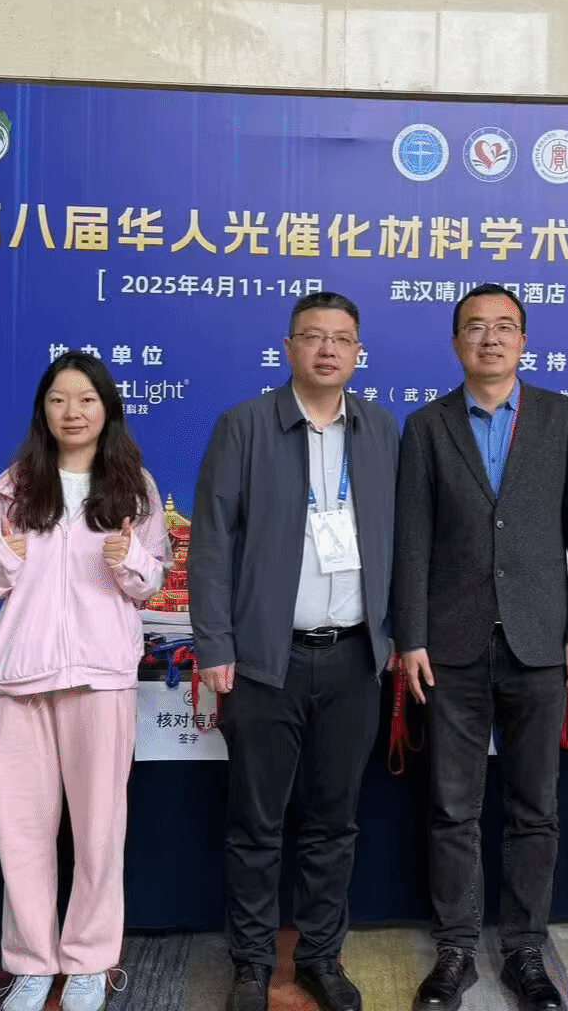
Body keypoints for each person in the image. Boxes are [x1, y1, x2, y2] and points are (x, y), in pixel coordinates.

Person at [394, 283, 568, 1011]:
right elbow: (411, 541)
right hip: (449, 643)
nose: (491, 339)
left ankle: (524, 950)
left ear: (524, 341)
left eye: (505, 327)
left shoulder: (563, 419)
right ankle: (455, 949)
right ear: (457, 342)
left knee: (534, 806)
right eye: (476, 328)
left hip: (540, 639)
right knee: (452, 806)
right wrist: (411, 635)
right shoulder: (426, 426)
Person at [189, 293, 400, 1011]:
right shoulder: (245, 425)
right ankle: (251, 962)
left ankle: (320, 957)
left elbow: (404, 543)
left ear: (358, 352)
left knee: (334, 822)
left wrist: (397, 639)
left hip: (354, 660)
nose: (328, 349)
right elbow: (211, 543)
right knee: (256, 823)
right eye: (313, 336)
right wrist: (215, 642)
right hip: (263, 661)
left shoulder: (380, 430)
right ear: (288, 348)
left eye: (342, 338)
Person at [0, 352, 168, 1011]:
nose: (73, 412)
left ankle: (89, 961)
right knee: (22, 831)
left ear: (107, 409)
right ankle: (31, 962)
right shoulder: (14, 488)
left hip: (101, 677)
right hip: (21, 678)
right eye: (59, 399)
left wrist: (129, 556)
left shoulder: (134, 488)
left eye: (87, 399)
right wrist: (5, 559)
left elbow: (151, 582)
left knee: (99, 830)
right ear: (43, 410)